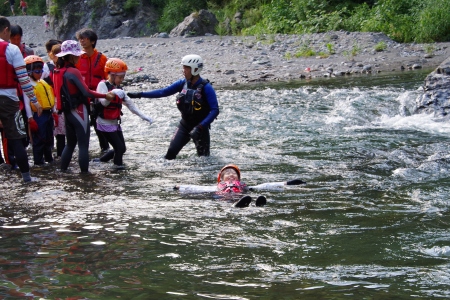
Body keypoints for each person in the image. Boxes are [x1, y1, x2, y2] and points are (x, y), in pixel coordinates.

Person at [127, 54, 219, 160]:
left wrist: (200, 127)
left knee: (204, 160)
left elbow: (215, 110)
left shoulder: (207, 88)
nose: (183, 70)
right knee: (170, 154)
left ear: (195, 69)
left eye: (186, 68)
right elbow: (163, 92)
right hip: (184, 125)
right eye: (183, 67)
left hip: (200, 129)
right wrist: (140, 94)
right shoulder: (182, 83)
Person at [53, 40, 115, 173]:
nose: (79, 57)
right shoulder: (73, 72)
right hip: (79, 111)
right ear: (71, 56)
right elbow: (86, 92)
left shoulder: (58, 70)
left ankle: (62, 171)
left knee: (70, 144)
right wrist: (105, 96)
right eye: (77, 55)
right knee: (83, 145)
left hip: (67, 112)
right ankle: (85, 176)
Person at [0, 16, 42, 182]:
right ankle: (26, 177)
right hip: (9, 99)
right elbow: (24, 80)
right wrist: (34, 100)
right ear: (6, 30)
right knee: (16, 139)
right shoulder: (12, 50)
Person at [94, 58, 153, 169]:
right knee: (119, 148)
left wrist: (144, 117)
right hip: (104, 123)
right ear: (111, 75)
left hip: (115, 123)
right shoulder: (102, 85)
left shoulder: (119, 88)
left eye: (123, 77)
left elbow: (130, 104)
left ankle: (102, 160)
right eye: (120, 77)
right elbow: (104, 103)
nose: (122, 80)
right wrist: (113, 93)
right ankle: (118, 170)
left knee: (122, 148)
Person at [174, 164, 306, 207]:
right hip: (223, 200)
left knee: (250, 195)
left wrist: (287, 183)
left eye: (234, 174)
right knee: (227, 205)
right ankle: (236, 207)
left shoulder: (244, 187)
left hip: (241, 196)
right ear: (221, 178)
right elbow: (197, 188)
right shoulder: (216, 187)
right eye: (228, 174)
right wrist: (180, 187)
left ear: (238, 178)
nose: (231, 175)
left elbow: (265, 185)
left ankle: (257, 206)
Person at [75, 28, 110, 153]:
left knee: (99, 124)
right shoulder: (77, 58)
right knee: (82, 125)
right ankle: (83, 150)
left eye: (85, 38)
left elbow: (108, 77)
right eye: (80, 39)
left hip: (97, 97)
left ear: (92, 41)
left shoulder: (101, 58)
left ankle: (104, 148)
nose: (82, 41)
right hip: (81, 96)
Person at [23, 55, 55, 166]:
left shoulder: (42, 82)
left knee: (49, 138)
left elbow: (51, 96)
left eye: (41, 70)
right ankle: (38, 162)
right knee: (39, 140)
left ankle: (49, 159)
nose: (40, 73)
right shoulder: (28, 86)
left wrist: (54, 112)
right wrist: (30, 118)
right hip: (38, 115)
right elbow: (27, 104)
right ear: (29, 72)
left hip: (48, 114)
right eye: (37, 71)